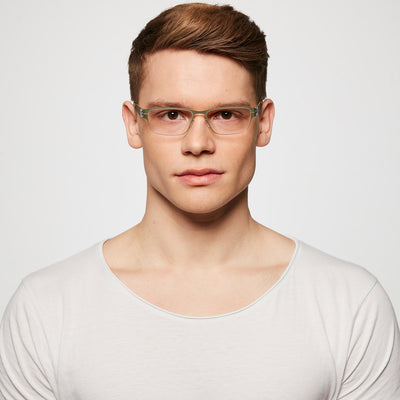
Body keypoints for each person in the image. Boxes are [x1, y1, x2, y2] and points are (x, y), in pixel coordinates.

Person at [0, 3, 399, 399]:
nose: (197, 144)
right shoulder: (46, 308)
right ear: (134, 124)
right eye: (171, 114)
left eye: (226, 115)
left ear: (263, 123)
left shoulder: (350, 305)